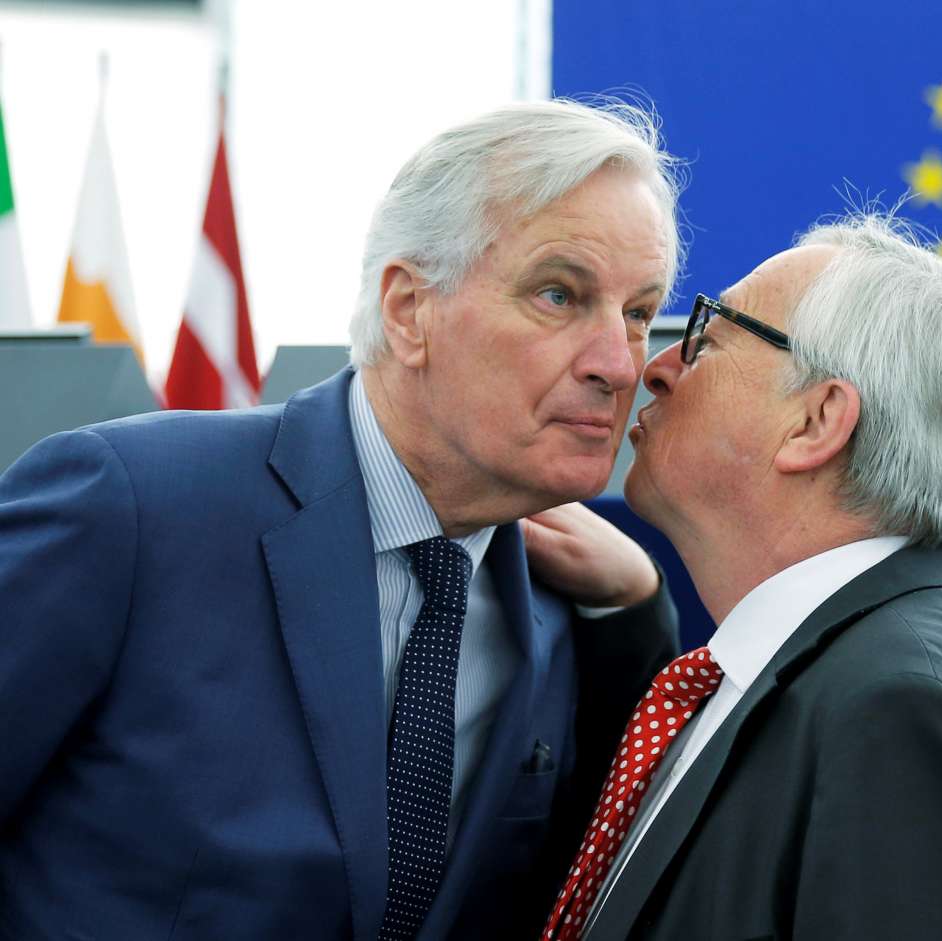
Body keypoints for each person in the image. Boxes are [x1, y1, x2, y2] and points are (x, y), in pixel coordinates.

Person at [0, 99, 683, 940]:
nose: (619, 363)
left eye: (638, 313)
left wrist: (637, 611)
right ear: (408, 309)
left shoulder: (571, 606)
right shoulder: (130, 504)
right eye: (558, 294)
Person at [538, 213, 942, 940]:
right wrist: (630, 616)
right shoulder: (854, 672)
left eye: (708, 337)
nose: (654, 368)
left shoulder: (903, 709)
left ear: (816, 422)